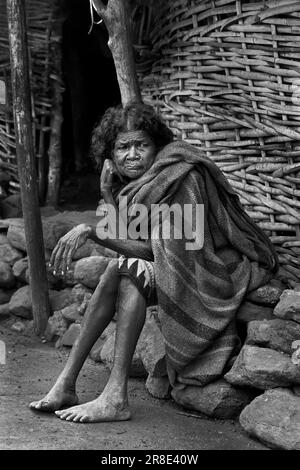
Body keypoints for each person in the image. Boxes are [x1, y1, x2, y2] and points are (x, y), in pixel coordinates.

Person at [29, 102, 278, 423]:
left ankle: (113, 396)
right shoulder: (131, 184)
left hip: (209, 267)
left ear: (156, 146)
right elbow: (130, 241)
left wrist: (92, 231)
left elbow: (161, 251)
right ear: (110, 152)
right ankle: (68, 383)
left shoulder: (180, 176)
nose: (132, 155)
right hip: (174, 264)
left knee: (128, 271)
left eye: (141, 145)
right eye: (123, 147)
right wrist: (106, 193)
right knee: (121, 270)